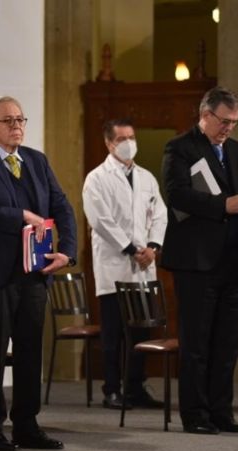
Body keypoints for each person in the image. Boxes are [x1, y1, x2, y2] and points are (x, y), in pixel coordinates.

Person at [0, 96, 77, 451]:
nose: (16, 126)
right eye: (8, 120)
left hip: (34, 271)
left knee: (29, 350)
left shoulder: (37, 161)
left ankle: (27, 424)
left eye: (20, 119)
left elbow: (62, 207)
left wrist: (67, 251)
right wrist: (21, 216)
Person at [160, 87, 238, 435]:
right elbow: (175, 194)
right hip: (196, 260)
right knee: (197, 341)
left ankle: (222, 411)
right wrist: (223, 205)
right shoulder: (181, 147)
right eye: (224, 121)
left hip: (234, 258)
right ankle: (195, 414)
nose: (229, 129)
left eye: (234, 123)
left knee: (226, 342)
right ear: (205, 115)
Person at [82, 118, 168, 410]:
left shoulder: (146, 177)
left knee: (142, 331)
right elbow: (101, 220)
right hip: (114, 266)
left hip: (144, 267)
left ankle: (135, 388)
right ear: (109, 143)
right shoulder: (97, 178)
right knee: (114, 334)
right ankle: (111, 389)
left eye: (131, 136)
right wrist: (132, 249)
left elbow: (159, 214)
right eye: (122, 138)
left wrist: (152, 247)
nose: (128, 142)